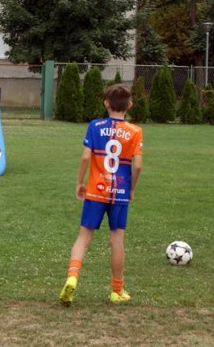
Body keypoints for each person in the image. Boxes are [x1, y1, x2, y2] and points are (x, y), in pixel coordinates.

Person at [59, 84, 143, 306]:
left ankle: (72, 277)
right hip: (120, 193)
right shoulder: (135, 131)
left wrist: (80, 182)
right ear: (130, 105)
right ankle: (117, 291)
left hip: (96, 190)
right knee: (116, 240)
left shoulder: (95, 126)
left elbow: (86, 158)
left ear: (106, 103)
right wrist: (131, 188)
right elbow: (137, 167)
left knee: (84, 237)